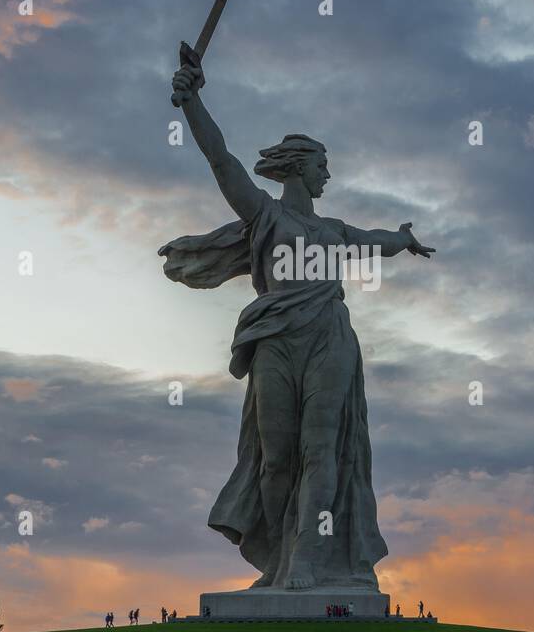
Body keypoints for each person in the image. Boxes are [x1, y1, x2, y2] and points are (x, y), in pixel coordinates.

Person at [163, 56, 435, 592]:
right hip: (275, 340)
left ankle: (308, 560)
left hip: (329, 337)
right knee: (275, 458)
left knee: (321, 449)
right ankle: (277, 560)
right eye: (323, 165)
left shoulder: (333, 228)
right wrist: (193, 100)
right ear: (300, 166)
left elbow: (374, 240)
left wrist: (403, 239)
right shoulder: (265, 215)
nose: (328, 175)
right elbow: (221, 161)